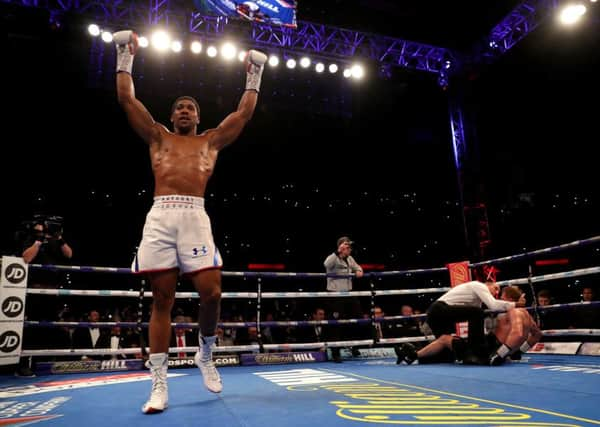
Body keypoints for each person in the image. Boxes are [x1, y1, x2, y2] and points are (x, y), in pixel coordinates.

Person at [112, 29, 267, 413]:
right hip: (161, 213)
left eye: (190, 108)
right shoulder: (156, 137)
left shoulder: (210, 142)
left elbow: (244, 113)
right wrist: (124, 54)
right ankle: (159, 383)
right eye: (179, 107)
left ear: (198, 116)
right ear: (171, 115)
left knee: (212, 293)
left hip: (195, 213)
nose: (184, 111)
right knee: (162, 299)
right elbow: (126, 97)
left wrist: (254, 74)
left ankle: (206, 352)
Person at [398, 286, 539, 366]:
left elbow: (518, 333)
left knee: (445, 339)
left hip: (487, 350)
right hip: (491, 349)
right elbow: (537, 335)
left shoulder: (513, 311)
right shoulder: (527, 315)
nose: (498, 298)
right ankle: (415, 356)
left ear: (507, 298)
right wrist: (517, 352)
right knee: (451, 345)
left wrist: (500, 355)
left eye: (501, 295)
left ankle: (414, 355)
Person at [16, 217, 74, 377]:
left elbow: (69, 254)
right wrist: (38, 241)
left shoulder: (56, 241)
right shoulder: (31, 239)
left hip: (52, 292)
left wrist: (59, 237)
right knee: (31, 328)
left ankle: (41, 363)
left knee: (49, 328)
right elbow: (26, 258)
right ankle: (23, 364)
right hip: (35, 292)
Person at [417, 279, 516, 363]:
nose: (496, 292)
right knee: (477, 312)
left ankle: (414, 356)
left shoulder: (477, 301)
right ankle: (477, 352)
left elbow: (477, 325)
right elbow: (493, 305)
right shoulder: (479, 285)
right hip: (439, 310)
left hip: (437, 315)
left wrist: (484, 339)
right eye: (496, 288)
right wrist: (514, 304)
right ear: (488, 284)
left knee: (447, 353)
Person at [323, 236, 364, 362]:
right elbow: (326, 264)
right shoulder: (333, 258)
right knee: (335, 324)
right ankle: (336, 352)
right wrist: (338, 252)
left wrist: (359, 271)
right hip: (335, 295)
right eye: (347, 246)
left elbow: (358, 268)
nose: (349, 248)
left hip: (348, 294)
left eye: (349, 246)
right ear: (341, 247)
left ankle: (352, 345)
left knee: (358, 318)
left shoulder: (350, 259)